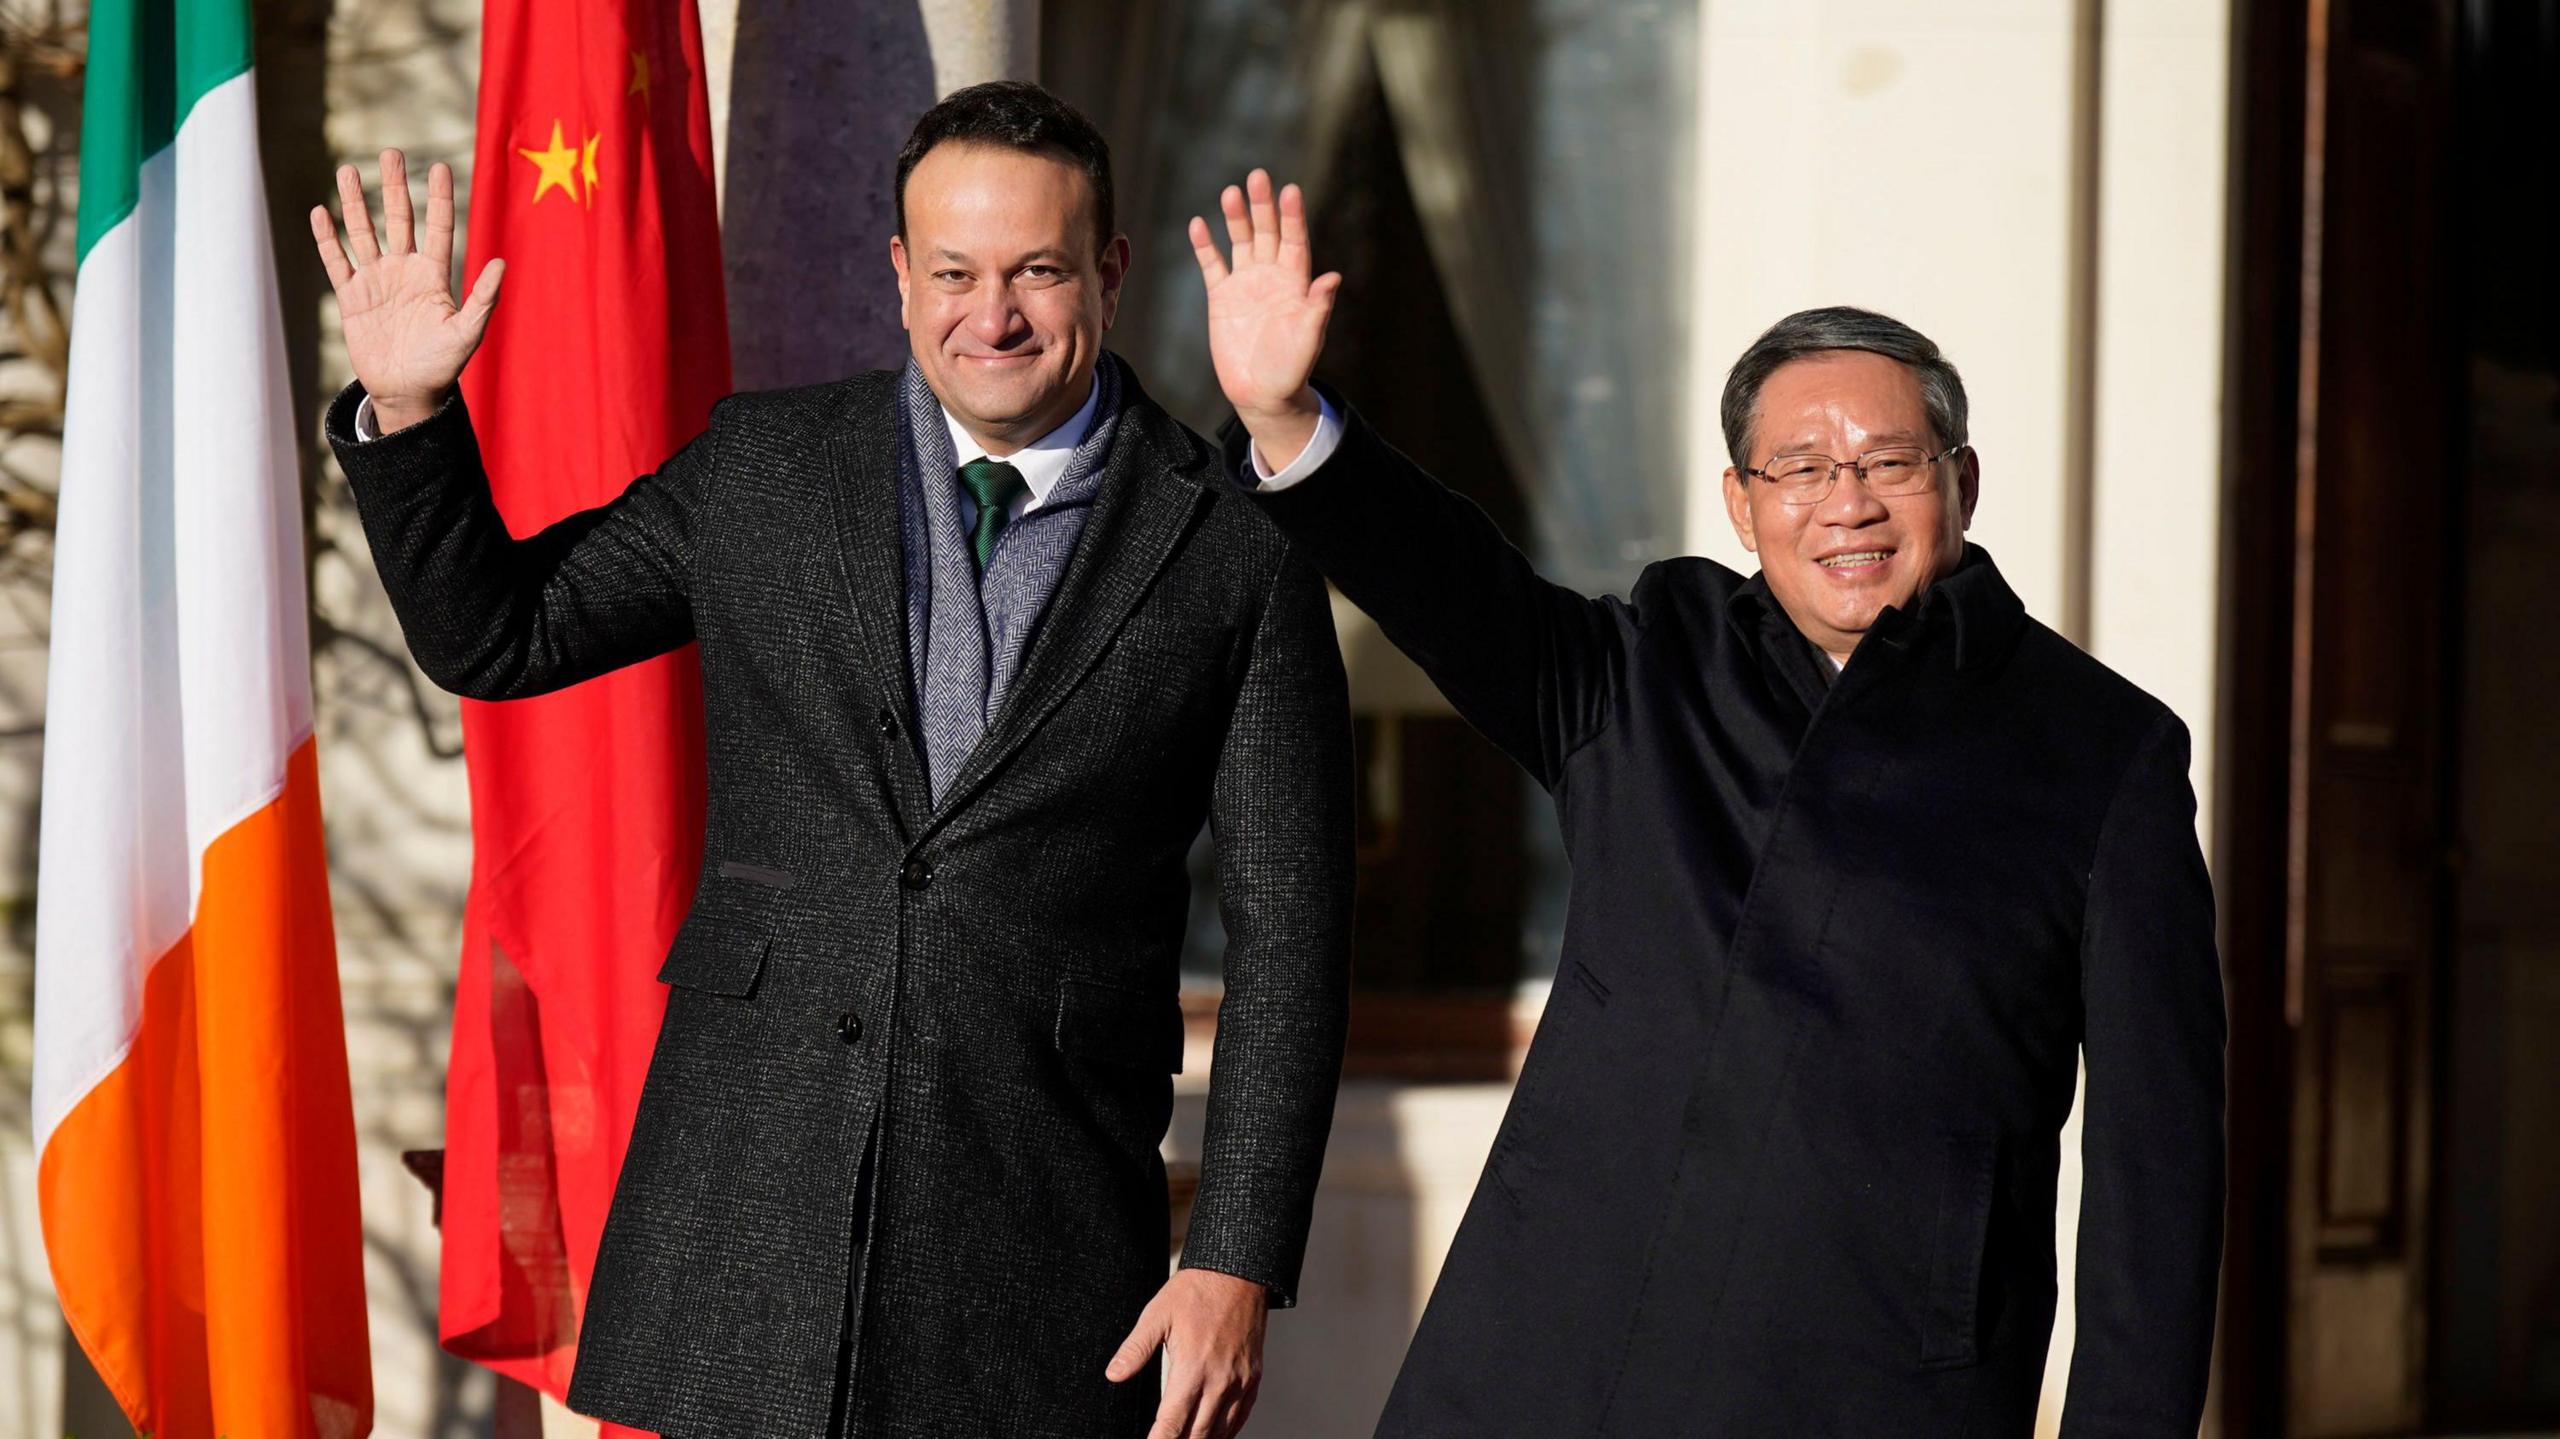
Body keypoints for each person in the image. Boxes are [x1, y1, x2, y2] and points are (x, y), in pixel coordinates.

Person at [311, 87, 1353, 1439]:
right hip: (743, 1225)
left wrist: (1239, 1253)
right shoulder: (765, 468)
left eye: (1037, 269)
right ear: (900, 277)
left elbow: (1293, 923)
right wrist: (412, 415)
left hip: (1039, 1250)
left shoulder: (1234, 546)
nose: (996, 316)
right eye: (957, 273)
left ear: (1106, 269)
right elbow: (503, 634)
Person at [1189, 170, 2225, 1435]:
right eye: (1798, 468)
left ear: (1960, 479)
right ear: (1742, 504)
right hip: (1554, 1353)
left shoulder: (2099, 750)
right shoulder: (1653, 665)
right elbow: (1455, 586)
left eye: (1887, 461)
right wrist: (1287, 416)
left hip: (1874, 1377)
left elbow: (2155, 1171)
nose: (1845, 501)